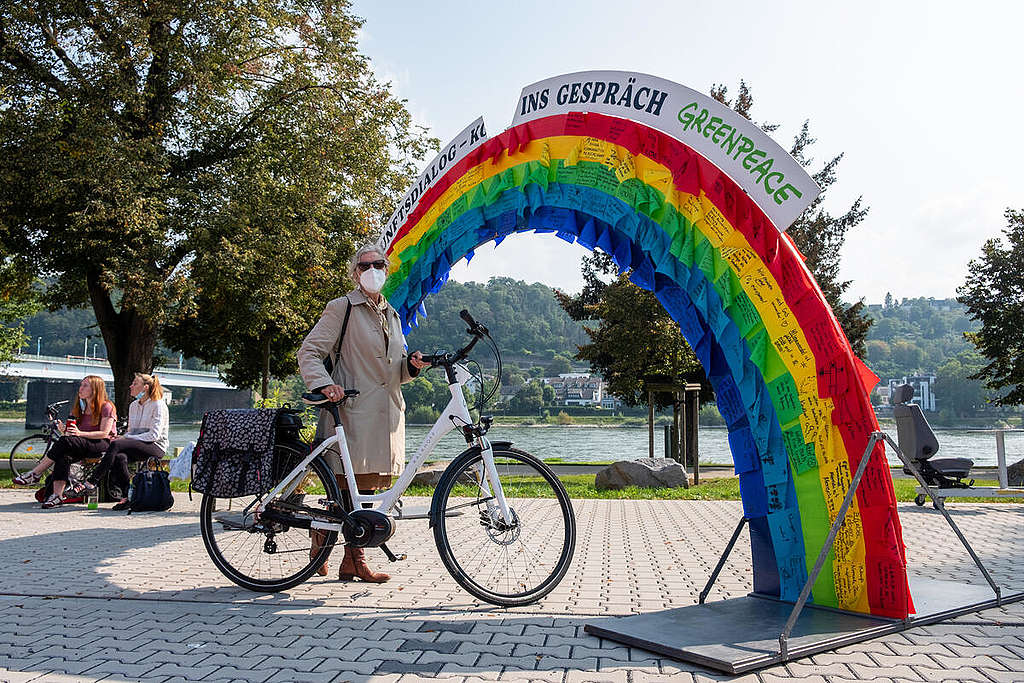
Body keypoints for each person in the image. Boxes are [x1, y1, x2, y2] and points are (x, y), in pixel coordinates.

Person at [297, 244, 428, 581]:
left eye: (379, 264)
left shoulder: (392, 313)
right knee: (343, 491)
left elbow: (391, 370)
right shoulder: (342, 308)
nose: (373, 270)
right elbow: (309, 352)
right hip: (350, 412)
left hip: (385, 417)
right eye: (365, 265)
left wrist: (411, 367)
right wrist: (325, 384)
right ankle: (328, 550)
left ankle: (351, 560)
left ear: (386, 269)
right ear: (355, 273)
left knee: (366, 492)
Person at [68, 373, 169, 510]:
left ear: (145, 388)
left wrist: (125, 438)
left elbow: (154, 436)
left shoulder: (158, 405)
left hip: (155, 446)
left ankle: (92, 481)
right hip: (138, 444)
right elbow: (132, 431)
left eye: (134, 384)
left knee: (116, 444)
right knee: (119, 457)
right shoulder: (133, 405)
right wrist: (125, 437)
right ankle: (128, 496)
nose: (130, 386)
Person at [14, 375, 117, 508]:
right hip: (83, 443)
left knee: (64, 441)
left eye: (85, 385)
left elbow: (104, 433)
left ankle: (35, 473)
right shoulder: (80, 407)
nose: (81, 388)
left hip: (102, 444)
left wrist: (79, 434)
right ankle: (57, 496)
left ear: (95, 389)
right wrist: (65, 430)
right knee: (63, 456)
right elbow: (73, 435)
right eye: (81, 385)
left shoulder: (107, 406)